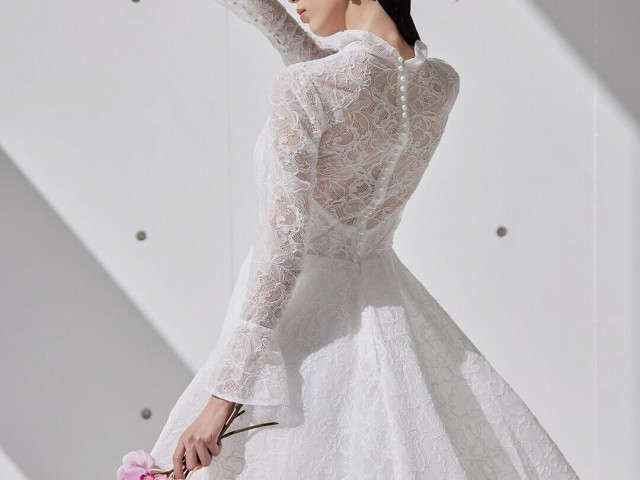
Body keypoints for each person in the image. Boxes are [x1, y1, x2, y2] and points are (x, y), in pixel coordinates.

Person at [148, 0, 581, 478]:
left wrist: (222, 400)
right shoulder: (439, 85)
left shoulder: (307, 87)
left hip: (300, 336)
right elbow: (352, 75)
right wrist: (269, 16)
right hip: (387, 309)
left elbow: (283, 251)